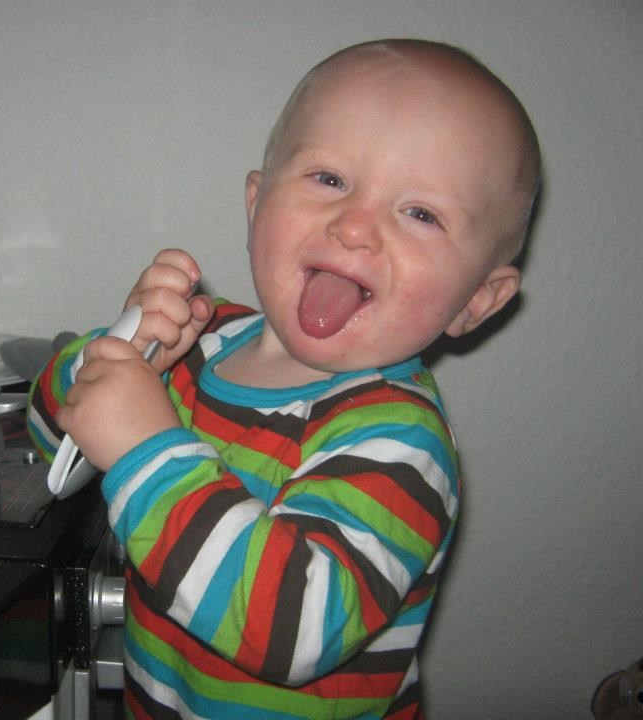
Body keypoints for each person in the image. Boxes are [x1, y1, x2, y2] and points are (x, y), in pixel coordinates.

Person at [28, 38, 541, 720]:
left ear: (476, 299)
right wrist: (123, 353)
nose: (355, 226)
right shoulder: (200, 342)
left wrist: (143, 446)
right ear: (256, 204)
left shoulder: (400, 441)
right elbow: (49, 439)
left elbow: (290, 632)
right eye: (329, 179)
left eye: (421, 213)